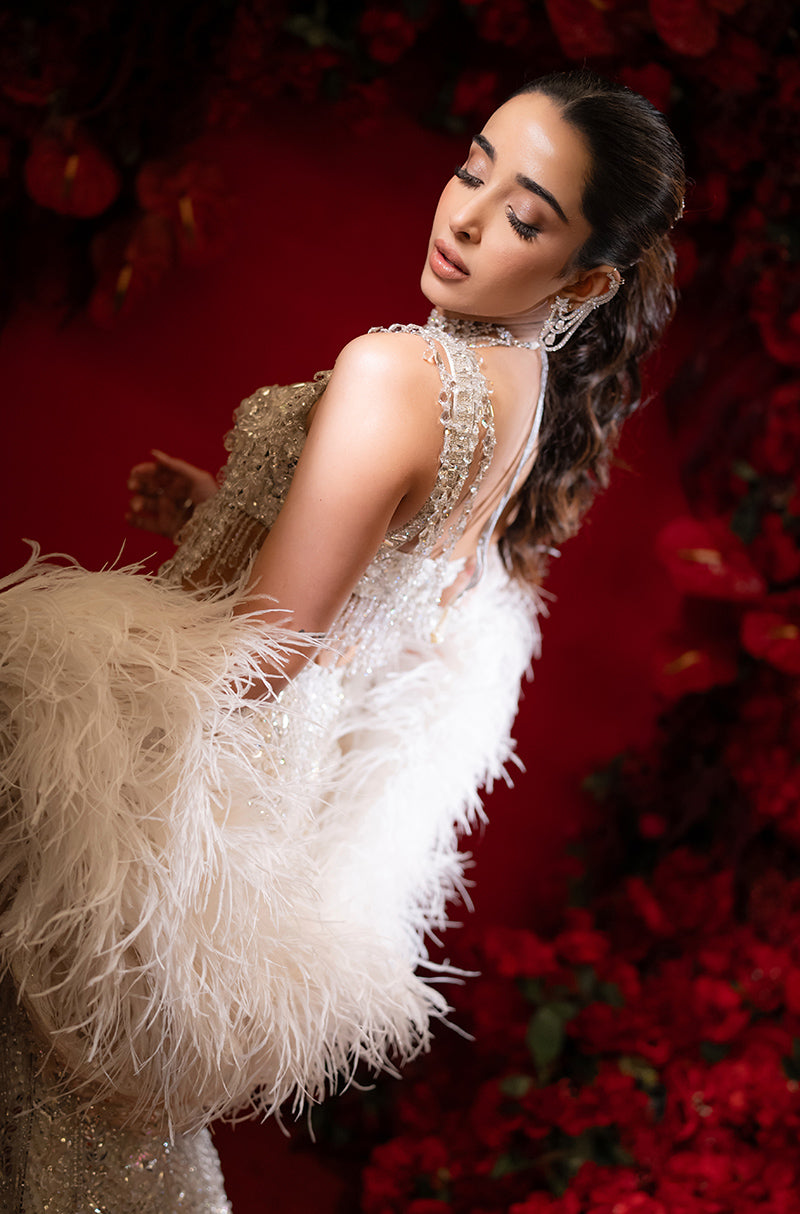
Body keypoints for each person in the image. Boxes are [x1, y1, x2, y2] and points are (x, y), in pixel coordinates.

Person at [0, 70, 684, 1212]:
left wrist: (41, 667)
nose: (465, 218)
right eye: (470, 170)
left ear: (585, 279)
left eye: (524, 218)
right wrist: (234, 509)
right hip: (269, 805)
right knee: (80, 1126)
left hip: (181, 764)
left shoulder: (397, 369)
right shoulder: (522, 389)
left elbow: (267, 653)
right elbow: (396, 591)